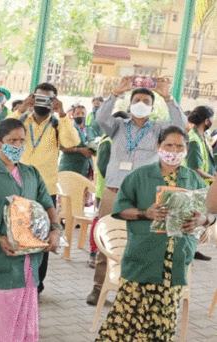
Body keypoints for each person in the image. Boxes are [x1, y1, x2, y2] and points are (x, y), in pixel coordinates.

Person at [96, 126, 213, 341]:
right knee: (125, 322)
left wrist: (204, 221)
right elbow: (120, 209)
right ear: (158, 147)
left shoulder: (193, 180)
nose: (174, 150)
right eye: (169, 145)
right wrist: (145, 213)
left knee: (163, 324)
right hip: (142, 261)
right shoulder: (139, 176)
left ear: (186, 150)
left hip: (174, 266)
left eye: (180, 146)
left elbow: (210, 213)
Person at [87, 76, 188, 305]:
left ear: (152, 107)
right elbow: (100, 118)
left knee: (139, 243)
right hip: (114, 193)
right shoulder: (118, 127)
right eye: (137, 99)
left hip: (144, 196)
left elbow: (181, 125)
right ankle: (98, 288)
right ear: (130, 104)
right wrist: (115, 94)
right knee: (107, 242)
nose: (141, 103)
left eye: (146, 100)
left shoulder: (160, 129)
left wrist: (168, 97)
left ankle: (131, 291)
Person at [0, 118, 61, 341]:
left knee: (20, 325)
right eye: (11, 140)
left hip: (27, 264)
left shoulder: (31, 173)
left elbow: (47, 203)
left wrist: (55, 229)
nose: (17, 146)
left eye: (21, 141)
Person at [10, 83, 80, 294]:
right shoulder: (22, 120)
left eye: (47, 99)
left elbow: (71, 142)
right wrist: (22, 108)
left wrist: (63, 115)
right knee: (17, 234)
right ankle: (15, 280)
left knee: (42, 238)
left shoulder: (58, 124)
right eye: (39, 98)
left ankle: (36, 284)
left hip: (45, 189)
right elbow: (2, 130)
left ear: (54, 101)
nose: (42, 103)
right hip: (19, 184)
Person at [88, 111, 129, 268]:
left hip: (119, 190)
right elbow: (104, 168)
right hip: (106, 191)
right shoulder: (108, 142)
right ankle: (94, 253)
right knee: (101, 223)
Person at [183, 106, 215, 261]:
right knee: (194, 218)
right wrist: (213, 179)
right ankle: (188, 252)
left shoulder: (202, 136)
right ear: (206, 120)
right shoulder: (194, 139)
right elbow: (195, 168)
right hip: (195, 185)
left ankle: (193, 249)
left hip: (203, 186)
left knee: (200, 219)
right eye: (212, 118)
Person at [59, 105, 95, 177]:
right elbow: (62, 147)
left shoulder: (89, 130)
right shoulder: (69, 129)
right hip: (69, 168)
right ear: (73, 115)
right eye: (77, 113)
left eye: (83, 113)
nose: (80, 115)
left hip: (84, 169)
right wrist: (78, 150)